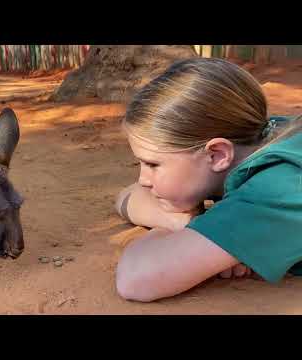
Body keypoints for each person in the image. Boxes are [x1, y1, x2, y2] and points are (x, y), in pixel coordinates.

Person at [114, 57, 302, 302]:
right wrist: (184, 223)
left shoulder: (281, 187)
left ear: (217, 154)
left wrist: (198, 235)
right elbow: (126, 197)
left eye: (153, 164)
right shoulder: (254, 139)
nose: (144, 179)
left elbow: (136, 279)